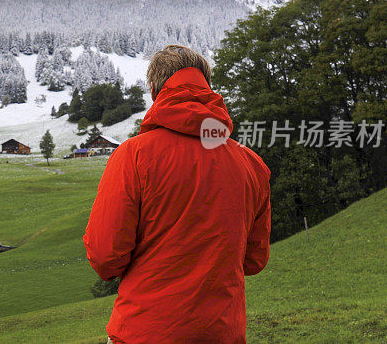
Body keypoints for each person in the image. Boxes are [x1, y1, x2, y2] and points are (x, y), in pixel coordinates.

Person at [83, 45, 271, 343]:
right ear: (207, 89)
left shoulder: (133, 155)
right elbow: (254, 260)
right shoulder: (252, 165)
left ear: (156, 90)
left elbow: (106, 258)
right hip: (223, 333)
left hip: (145, 332)